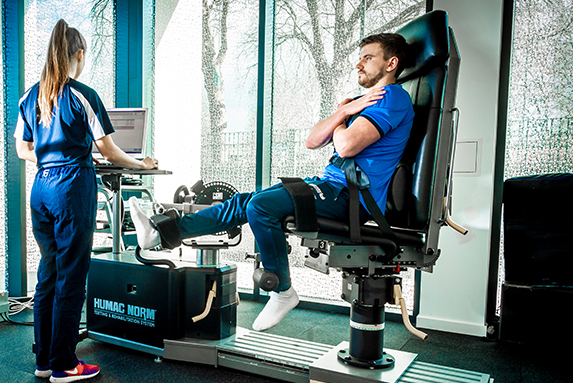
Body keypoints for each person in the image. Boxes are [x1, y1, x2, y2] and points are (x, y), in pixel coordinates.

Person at [129, 33, 413, 332]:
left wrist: (342, 117)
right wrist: (343, 110)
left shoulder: (392, 98)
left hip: (350, 198)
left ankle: (283, 291)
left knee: (261, 206)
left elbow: (345, 147)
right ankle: (160, 235)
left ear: (391, 63)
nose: (359, 63)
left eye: (368, 58)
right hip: (330, 187)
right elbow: (312, 140)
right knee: (244, 202)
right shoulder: (360, 102)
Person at [15, 19, 157, 383]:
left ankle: (44, 359)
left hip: (41, 188)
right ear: (78, 55)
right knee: (72, 276)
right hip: (70, 188)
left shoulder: (29, 96)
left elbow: (23, 149)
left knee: (48, 273)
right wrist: (142, 163)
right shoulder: (82, 94)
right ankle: (65, 364)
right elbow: (109, 150)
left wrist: (57, 157)